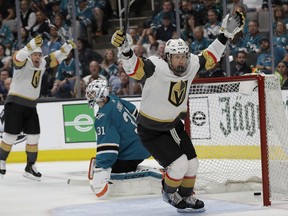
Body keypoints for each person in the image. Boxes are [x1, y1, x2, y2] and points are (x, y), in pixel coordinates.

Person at [111, 10, 244, 212]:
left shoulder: (191, 65)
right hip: (150, 130)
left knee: (193, 164)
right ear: (168, 57)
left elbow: (210, 56)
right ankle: (168, 192)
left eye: (183, 57)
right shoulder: (155, 67)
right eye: (176, 58)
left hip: (173, 126)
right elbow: (133, 69)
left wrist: (225, 35)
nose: (181, 61)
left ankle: (186, 197)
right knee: (179, 165)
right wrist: (126, 50)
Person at [0, 35, 76, 180]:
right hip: (15, 103)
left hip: (31, 106)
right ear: (30, 54)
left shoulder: (41, 63)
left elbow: (56, 57)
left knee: (34, 136)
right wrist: (29, 46)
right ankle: (1, 160)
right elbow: (17, 57)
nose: (37, 57)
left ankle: (30, 166)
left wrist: (67, 48)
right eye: (35, 54)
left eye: (39, 54)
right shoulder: (24, 61)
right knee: (10, 136)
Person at [85, 79, 151, 198]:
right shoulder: (114, 99)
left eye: (93, 93)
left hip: (132, 154)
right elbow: (134, 111)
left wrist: (101, 171)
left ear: (101, 93)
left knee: (105, 167)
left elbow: (109, 147)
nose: (89, 96)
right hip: (143, 144)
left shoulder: (104, 117)